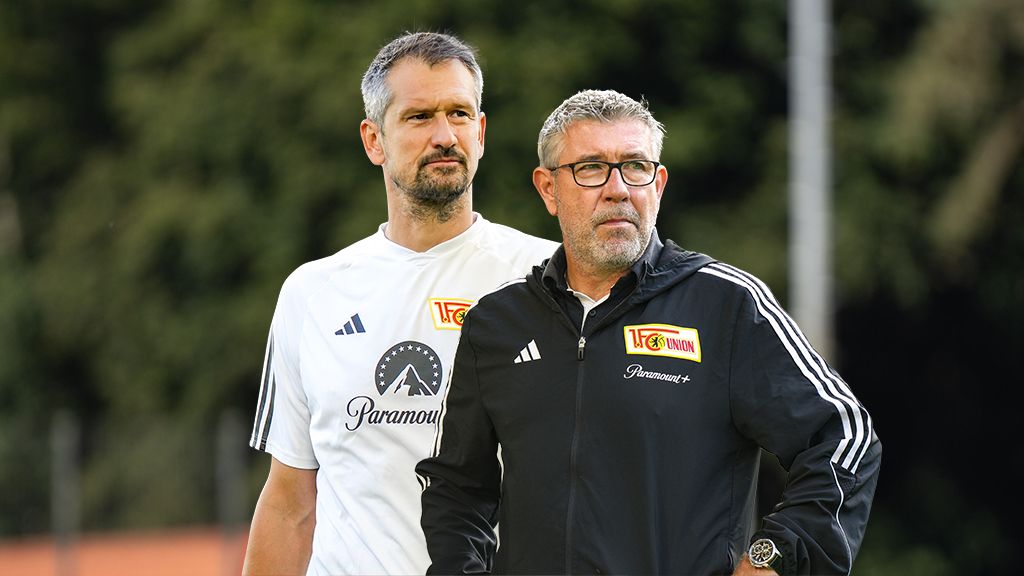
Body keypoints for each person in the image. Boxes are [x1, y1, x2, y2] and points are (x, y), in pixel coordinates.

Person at [417, 89, 881, 575]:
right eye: (591, 168)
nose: (618, 188)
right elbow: (455, 488)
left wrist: (775, 558)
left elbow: (845, 435)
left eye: (635, 166)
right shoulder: (497, 323)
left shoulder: (726, 305)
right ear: (548, 189)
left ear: (657, 184)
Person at [242, 32, 557, 576]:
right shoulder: (311, 292)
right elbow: (290, 503)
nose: (444, 135)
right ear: (373, 140)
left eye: (459, 113)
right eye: (418, 117)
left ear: (480, 133)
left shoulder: (549, 277)